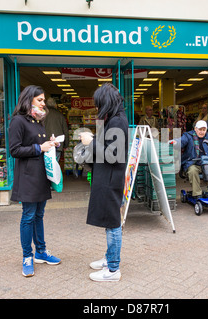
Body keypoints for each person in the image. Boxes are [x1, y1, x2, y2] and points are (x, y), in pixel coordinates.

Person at [9, 85, 61, 277]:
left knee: (39, 215)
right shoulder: (18, 121)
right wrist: (40, 148)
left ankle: (41, 251)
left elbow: (41, 145)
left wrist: (51, 143)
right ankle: (27, 256)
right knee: (28, 216)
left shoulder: (38, 120)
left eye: (43, 100)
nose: (43, 103)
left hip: (41, 176)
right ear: (28, 99)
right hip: (28, 178)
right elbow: (14, 150)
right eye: (39, 99)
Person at [79, 83, 128, 282]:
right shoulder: (115, 119)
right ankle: (109, 260)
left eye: (100, 104)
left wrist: (91, 142)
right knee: (110, 222)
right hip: (108, 177)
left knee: (112, 223)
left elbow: (112, 154)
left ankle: (113, 269)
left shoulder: (117, 121)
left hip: (110, 179)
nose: (98, 109)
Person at [174, 120, 208, 197]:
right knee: (193, 170)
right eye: (200, 129)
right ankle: (197, 194)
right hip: (193, 164)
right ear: (195, 129)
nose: (202, 132)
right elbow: (181, 141)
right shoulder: (188, 136)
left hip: (207, 165)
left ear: (206, 130)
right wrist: (175, 142)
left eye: (204, 130)